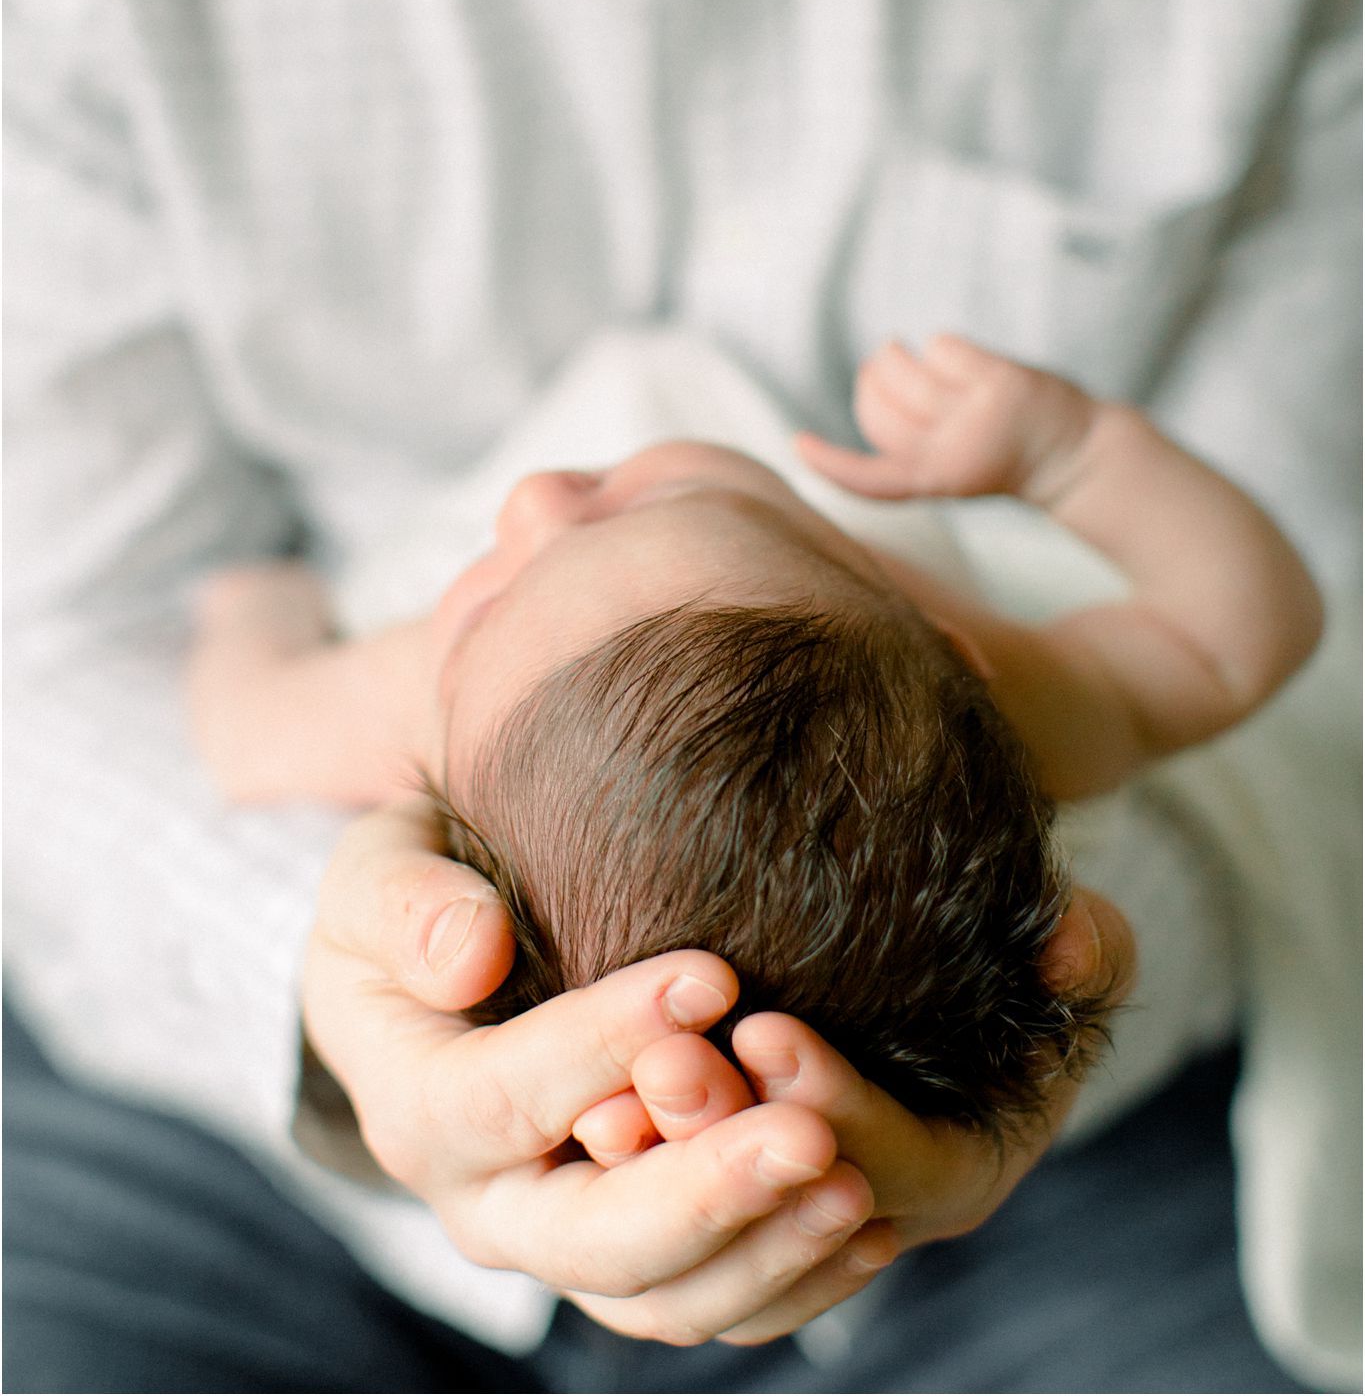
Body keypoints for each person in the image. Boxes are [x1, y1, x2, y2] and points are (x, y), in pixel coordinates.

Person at [5, 0, 1358, 1392]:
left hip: (1050, 1106)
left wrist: (994, 1036)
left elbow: (1324, 642)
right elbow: (68, 631)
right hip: (222, 1091)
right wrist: (352, 997)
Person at [184, 334, 1320, 1142]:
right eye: (675, 508)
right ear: (942, 633)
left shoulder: (425, 707)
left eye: (486, 608)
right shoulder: (1018, 696)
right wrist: (1073, 458)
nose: (537, 497)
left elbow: (249, 729)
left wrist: (252, 609)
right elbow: (1238, 635)